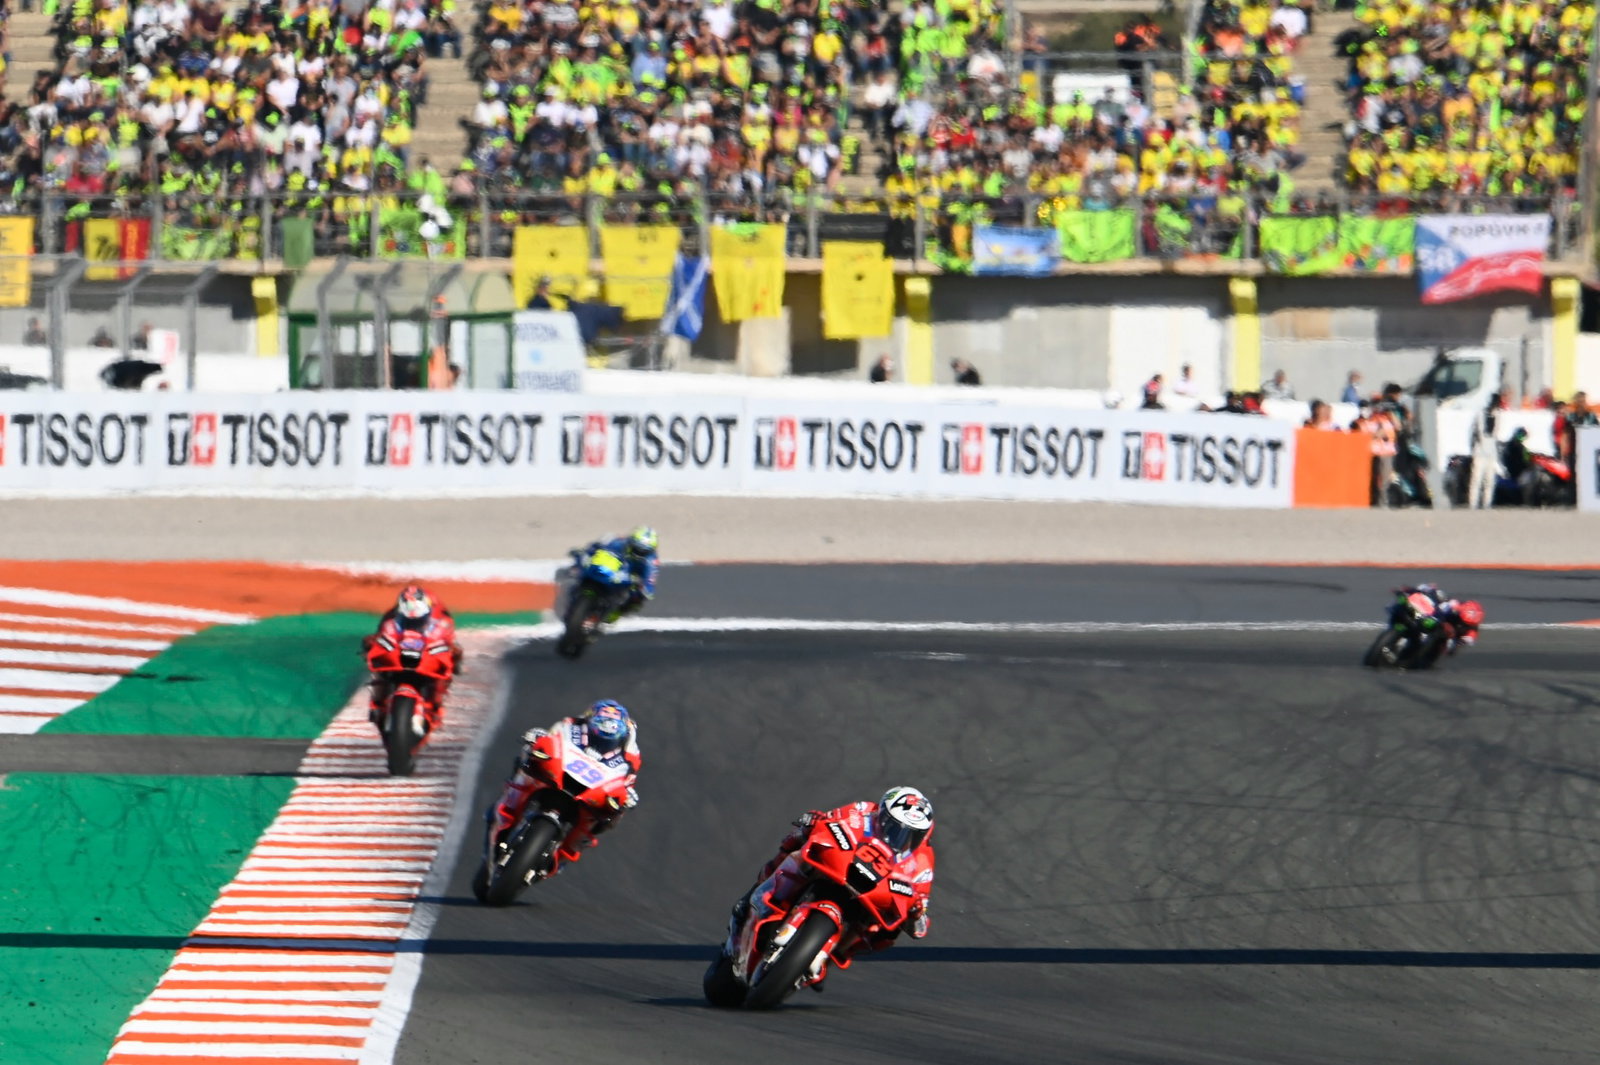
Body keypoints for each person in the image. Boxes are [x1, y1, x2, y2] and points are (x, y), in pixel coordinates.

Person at [723, 786, 935, 971]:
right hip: (838, 868)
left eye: (913, 835)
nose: (902, 838)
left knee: (885, 933)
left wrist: (915, 913)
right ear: (882, 816)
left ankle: (833, 954)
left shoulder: (923, 862)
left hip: (870, 899)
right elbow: (832, 819)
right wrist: (815, 821)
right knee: (798, 841)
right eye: (895, 827)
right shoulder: (863, 811)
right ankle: (757, 893)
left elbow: (920, 926)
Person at [505, 700, 641, 852]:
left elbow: (628, 780)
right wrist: (538, 739)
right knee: (529, 757)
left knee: (614, 812)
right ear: (590, 719)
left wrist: (627, 794)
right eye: (600, 722)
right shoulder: (572, 725)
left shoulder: (630, 754)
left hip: (592, 795)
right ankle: (508, 807)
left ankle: (565, 852)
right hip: (556, 776)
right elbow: (552, 736)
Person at [362, 585, 464, 724]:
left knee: (449, 664)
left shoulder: (442, 619)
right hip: (398, 655)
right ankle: (378, 702)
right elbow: (379, 635)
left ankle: (436, 705)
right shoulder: (391, 618)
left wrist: (453, 653)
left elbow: (450, 641)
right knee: (379, 667)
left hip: (425, 656)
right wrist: (373, 643)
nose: (413, 621)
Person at [575, 526, 659, 622]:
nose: (639, 552)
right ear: (631, 541)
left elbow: (650, 583)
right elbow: (595, 547)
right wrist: (583, 554)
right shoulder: (617, 541)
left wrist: (643, 588)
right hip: (607, 570)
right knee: (579, 564)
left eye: (644, 551)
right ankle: (578, 588)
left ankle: (617, 613)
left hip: (628, 577)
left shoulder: (652, 561)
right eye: (637, 548)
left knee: (637, 599)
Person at [1400, 584, 1483, 656]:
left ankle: (1429, 654)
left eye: (1466, 622)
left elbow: (1469, 640)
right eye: (1462, 618)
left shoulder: (1473, 629)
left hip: (1448, 635)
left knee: (1450, 650)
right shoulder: (1455, 605)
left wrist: (1460, 642)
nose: (1463, 621)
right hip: (1439, 620)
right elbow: (1441, 608)